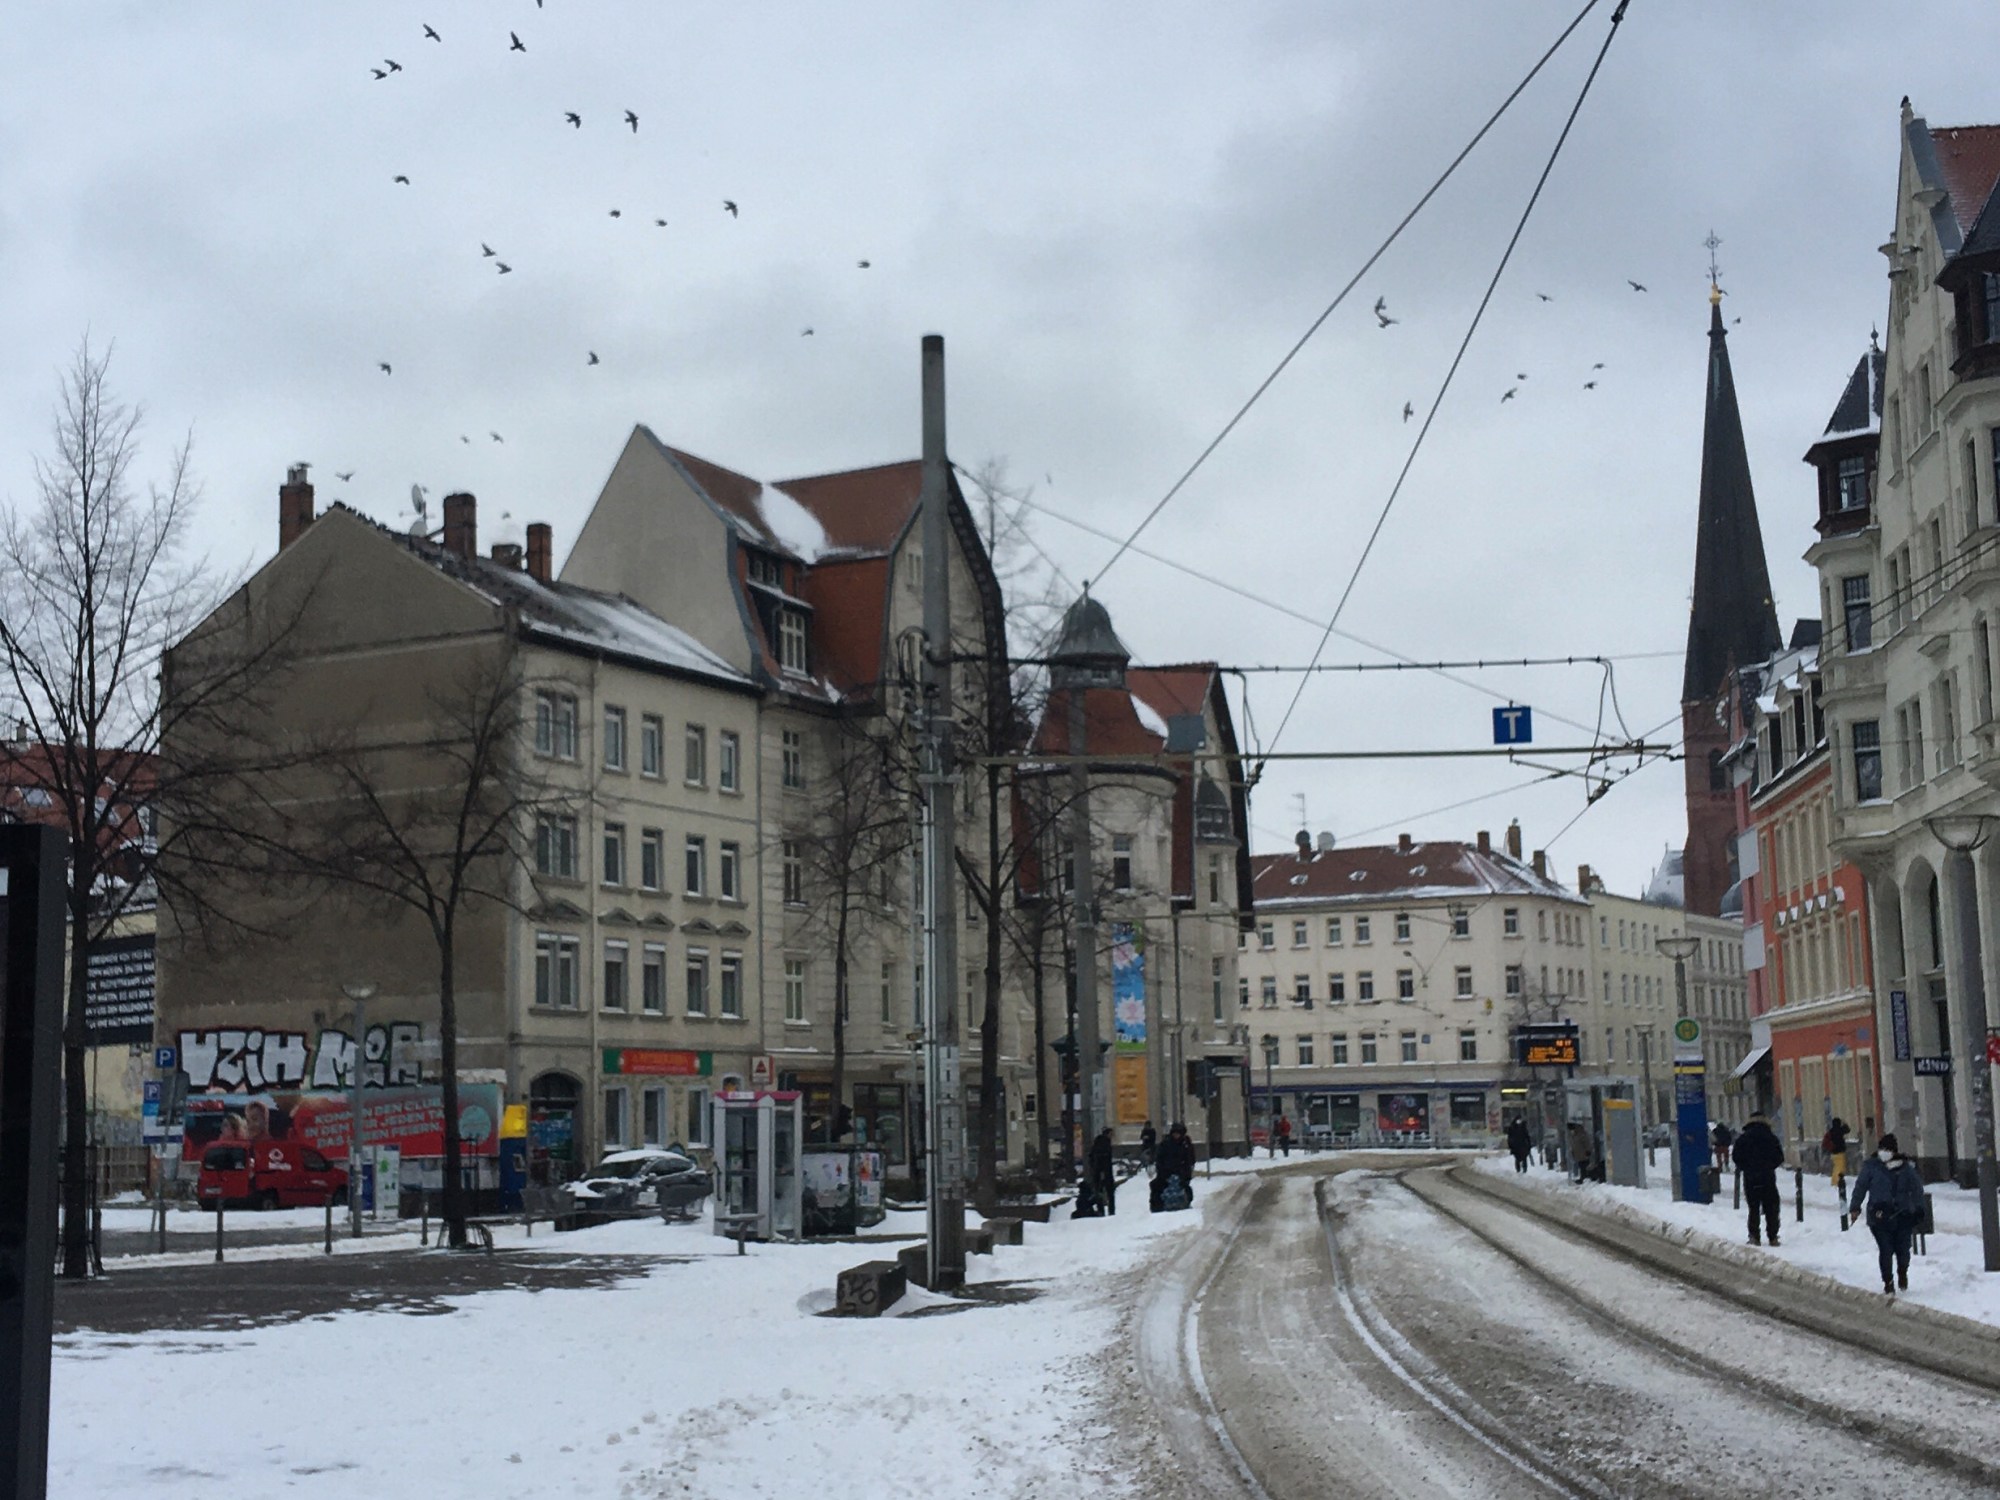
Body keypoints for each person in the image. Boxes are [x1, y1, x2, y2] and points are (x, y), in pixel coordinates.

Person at [1847, 1132, 1925, 1294]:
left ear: (1893, 1151)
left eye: (1886, 1149)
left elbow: (1917, 1189)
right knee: (1886, 1249)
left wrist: (1919, 1209)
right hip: (1879, 1216)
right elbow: (1861, 1187)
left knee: (1903, 1249)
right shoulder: (1871, 1167)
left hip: (1902, 1215)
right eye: (1881, 1148)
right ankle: (1888, 1281)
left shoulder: (1905, 1168)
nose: (1883, 1152)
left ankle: (1902, 1272)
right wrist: (1855, 1206)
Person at [1733, 1110, 1785, 1247]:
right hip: (1767, 1177)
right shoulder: (1771, 1138)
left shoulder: (1743, 1138)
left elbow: (1736, 1157)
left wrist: (1746, 1167)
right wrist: (1769, 1166)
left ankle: (1754, 1236)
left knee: (1753, 1207)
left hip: (1750, 1177)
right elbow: (1779, 1157)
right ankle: (1773, 1236)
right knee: (1771, 1206)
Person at [1152, 1121, 1196, 1212]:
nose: (1176, 1135)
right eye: (1175, 1133)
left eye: (1178, 1133)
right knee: (1156, 1187)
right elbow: (1160, 1158)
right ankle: (1159, 1207)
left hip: (1181, 1173)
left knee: (1183, 1188)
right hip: (1166, 1173)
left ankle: (1183, 1203)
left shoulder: (1186, 1144)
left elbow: (1190, 1159)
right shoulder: (1166, 1143)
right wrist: (1162, 1170)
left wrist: (1186, 1173)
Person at [1088, 1127, 1117, 1216]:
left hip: (1098, 1172)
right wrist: (1103, 1172)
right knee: (1110, 1193)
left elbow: (1091, 1157)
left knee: (1099, 1192)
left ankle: (1101, 1210)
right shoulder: (1105, 1144)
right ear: (1107, 1134)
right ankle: (1111, 1211)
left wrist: (1094, 1169)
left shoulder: (1097, 1143)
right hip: (1105, 1172)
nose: (1112, 1136)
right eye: (1111, 1134)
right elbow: (1104, 1159)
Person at [1822, 1116, 1851, 1193]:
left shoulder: (1831, 1131)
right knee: (1840, 1167)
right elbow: (1848, 1130)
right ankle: (1836, 1182)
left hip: (1833, 1153)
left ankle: (1835, 1181)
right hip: (1840, 1152)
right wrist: (1845, 1123)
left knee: (1836, 1167)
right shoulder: (1840, 1130)